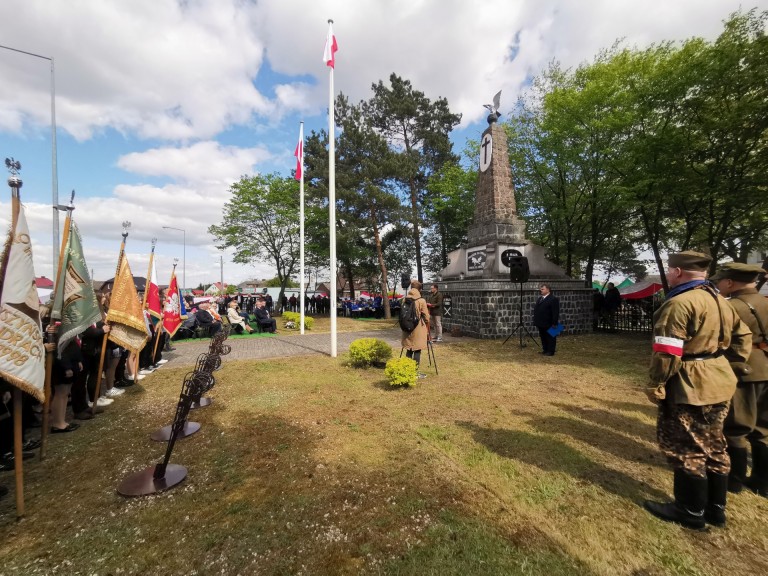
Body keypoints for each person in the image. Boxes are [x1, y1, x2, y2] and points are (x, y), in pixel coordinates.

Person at [643, 251, 752, 529]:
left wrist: (656, 384)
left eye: (669, 270)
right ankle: (716, 509)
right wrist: (729, 368)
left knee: (687, 447)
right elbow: (743, 338)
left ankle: (690, 511)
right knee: (715, 445)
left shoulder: (681, 303)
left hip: (691, 385)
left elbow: (667, 352)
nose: (668, 275)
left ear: (678, 272)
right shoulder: (721, 301)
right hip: (720, 381)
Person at [711, 262, 768, 497]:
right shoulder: (765, 302)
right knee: (763, 428)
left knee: (736, 426)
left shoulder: (731, 307)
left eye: (720, 281)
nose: (718, 285)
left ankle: (734, 480)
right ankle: (762, 481)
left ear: (730, 282)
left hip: (743, 370)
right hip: (766, 367)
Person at [401, 279, 430, 378]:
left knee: (409, 349)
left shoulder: (405, 299)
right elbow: (426, 317)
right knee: (417, 349)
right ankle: (414, 372)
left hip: (407, 328)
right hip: (418, 328)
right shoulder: (421, 300)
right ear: (419, 289)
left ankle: (407, 370)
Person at [533, 283, 560, 356]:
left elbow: (555, 312)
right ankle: (545, 350)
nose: (540, 290)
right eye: (540, 289)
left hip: (549, 323)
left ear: (548, 290)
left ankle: (551, 351)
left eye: (542, 289)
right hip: (541, 322)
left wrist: (554, 323)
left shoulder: (553, 299)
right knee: (543, 337)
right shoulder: (540, 299)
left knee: (551, 337)